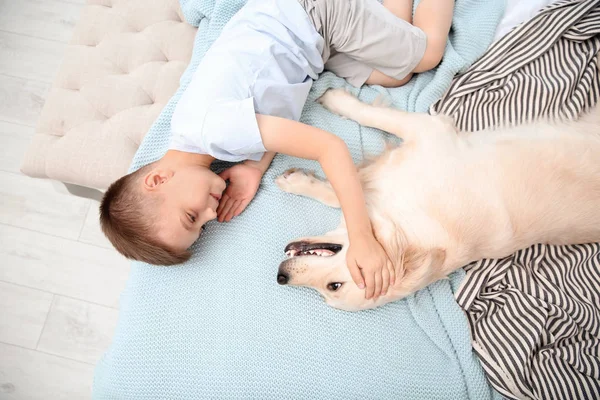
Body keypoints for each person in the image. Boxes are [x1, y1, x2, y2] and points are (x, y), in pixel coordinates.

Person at [99, 0, 454, 300]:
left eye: (192, 216)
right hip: (311, 43)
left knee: (425, 56)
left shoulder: (218, 132)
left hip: (311, 12)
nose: (211, 214)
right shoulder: (194, 133)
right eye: (203, 227)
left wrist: (362, 237)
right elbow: (271, 111)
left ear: (158, 179)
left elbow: (329, 148)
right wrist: (254, 167)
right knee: (395, 75)